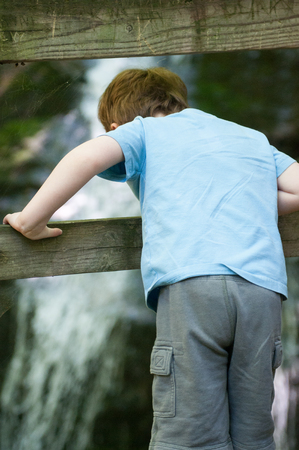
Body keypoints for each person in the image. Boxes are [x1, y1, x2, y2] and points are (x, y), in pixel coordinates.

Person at [3, 67, 299, 450]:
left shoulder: (142, 130)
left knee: (188, 436)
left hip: (194, 289)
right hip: (263, 292)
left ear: (116, 125)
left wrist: (30, 219)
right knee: (255, 434)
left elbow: (86, 156)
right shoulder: (251, 138)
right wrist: (245, 197)